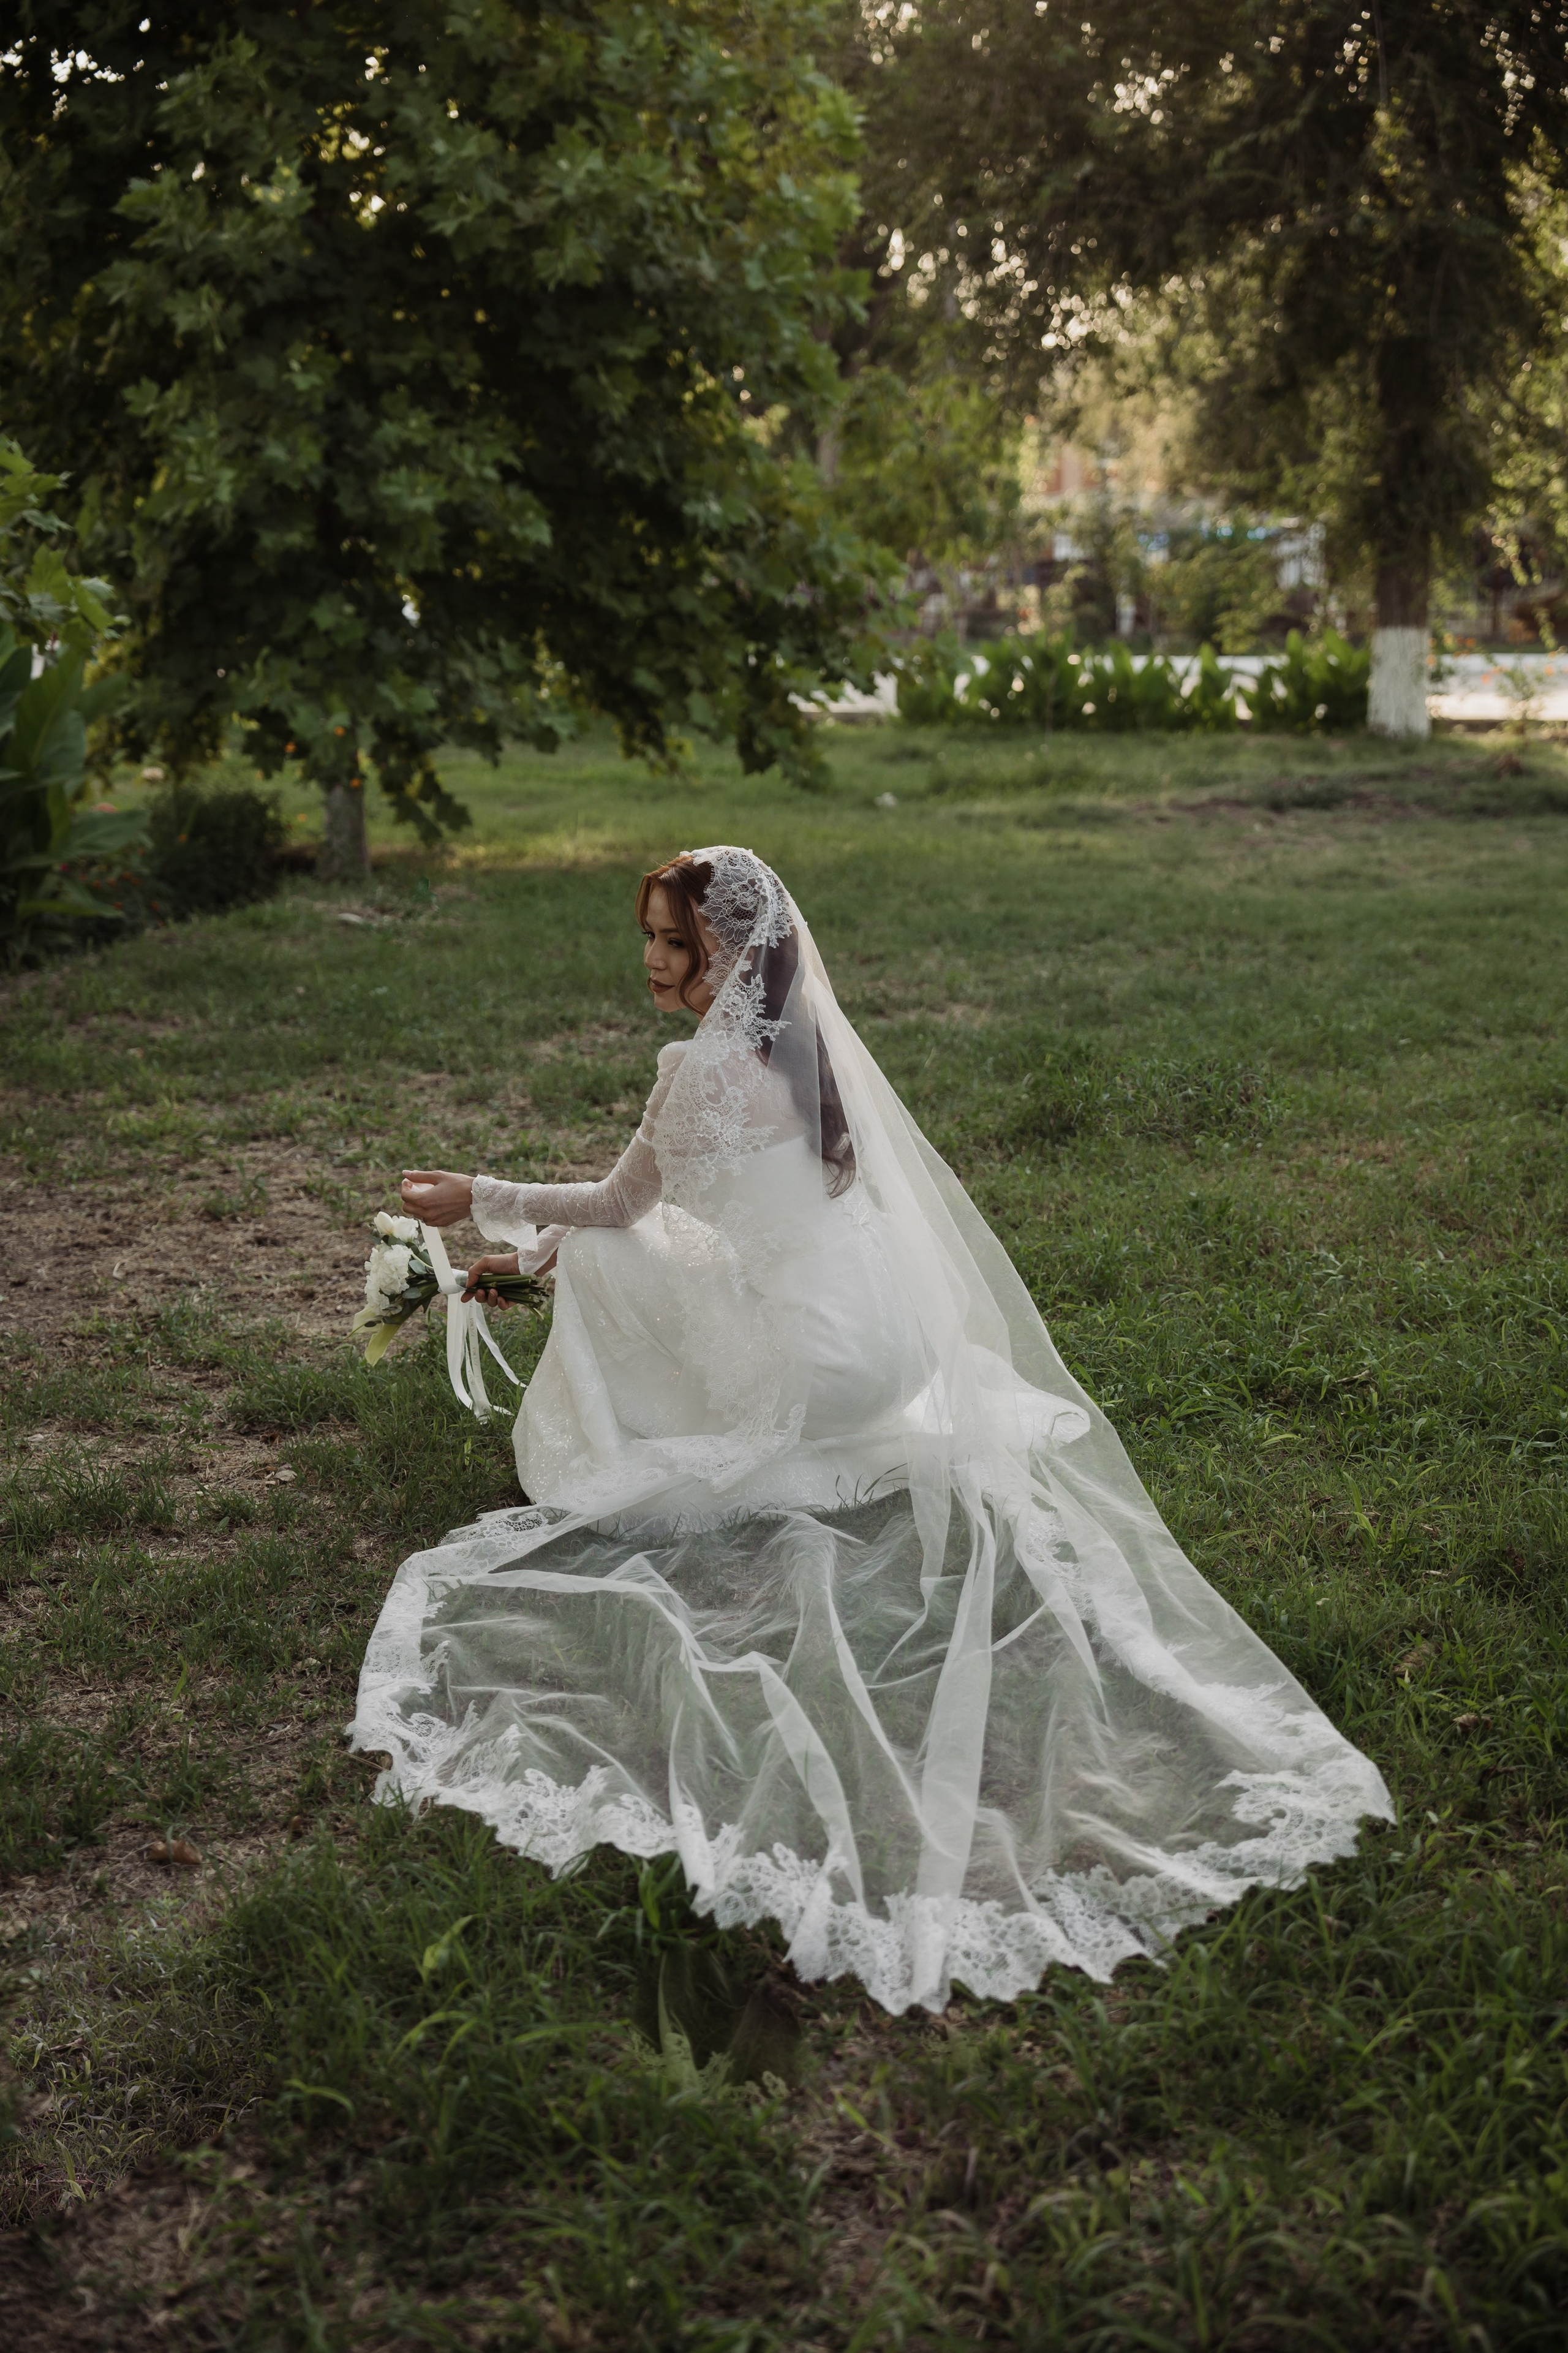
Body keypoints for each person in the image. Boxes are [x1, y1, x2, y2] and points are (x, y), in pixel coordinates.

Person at [353, 845, 1390, 2017]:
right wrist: (521, 1248)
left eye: (672, 942)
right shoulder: (812, 1048)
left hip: (810, 1376)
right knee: (639, 1250)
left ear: (728, 953)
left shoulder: (696, 1077)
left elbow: (613, 1208)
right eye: (647, 936)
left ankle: (616, 1440)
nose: (651, 960)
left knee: (599, 1250)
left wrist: (477, 1199)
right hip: (888, 1343)